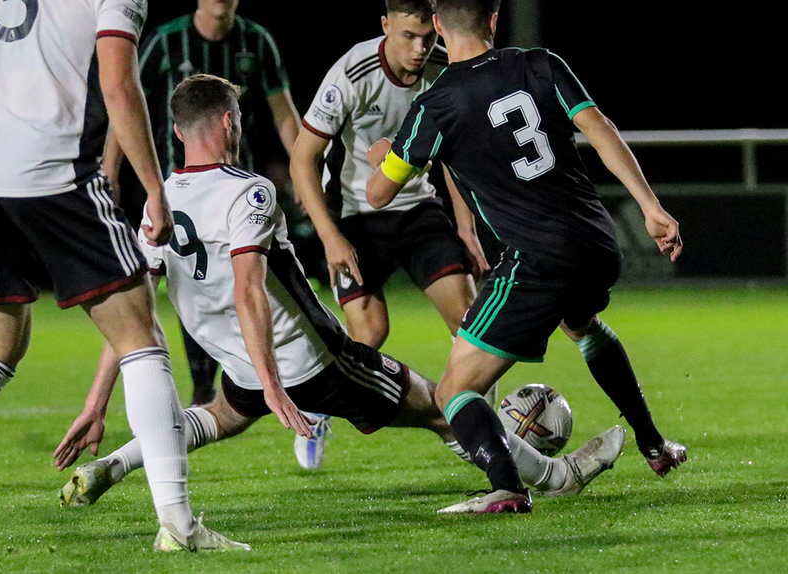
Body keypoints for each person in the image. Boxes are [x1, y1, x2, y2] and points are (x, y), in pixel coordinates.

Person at [54, 74, 626, 511]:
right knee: (443, 403)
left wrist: (95, 404)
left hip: (241, 361)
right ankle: (555, 477)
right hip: (308, 359)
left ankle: (112, 467)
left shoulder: (158, 208)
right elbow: (252, 291)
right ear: (231, 124)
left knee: (218, 417)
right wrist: (280, 387)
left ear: (177, 133)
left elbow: (131, 327)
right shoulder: (249, 192)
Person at [0, 0, 246, 553]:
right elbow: (119, 85)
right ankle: (179, 525)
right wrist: (153, 188)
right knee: (140, 340)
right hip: (56, 177)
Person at [367, 0, 687, 514]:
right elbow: (600, 128)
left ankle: (507, 487)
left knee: (455, 391)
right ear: (493, 21)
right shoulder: (541, 63)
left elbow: (380, 193)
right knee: (583, 326)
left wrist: (383, 153)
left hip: (536, 260)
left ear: (440, 29)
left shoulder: (437, 102)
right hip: (596, 242)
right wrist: (650, 208)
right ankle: (654, 444)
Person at [289, 0, 494, 469]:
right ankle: (317, 409)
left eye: (427, 37)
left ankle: (479, 433)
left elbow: (453, 155)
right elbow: (304, 159)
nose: (420, 49)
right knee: (369, 333)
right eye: (407, 36)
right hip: (355, 217)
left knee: (471, 324)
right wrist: (329, 235)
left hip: (419, 209)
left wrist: (466, 226)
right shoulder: (352, 72)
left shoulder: (446, 67)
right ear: (385, 26)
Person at [103, 0, 302, 410]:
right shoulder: (165, 41)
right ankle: (205, 387)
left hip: (237, 192)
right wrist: (109, 169)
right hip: (173, 189)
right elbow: (124, 102)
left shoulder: (256, 41)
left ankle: (260, 377)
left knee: (249, 283)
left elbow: (283, 111)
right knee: (192, 283)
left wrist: (303, 172)